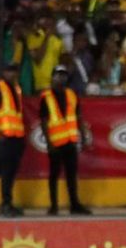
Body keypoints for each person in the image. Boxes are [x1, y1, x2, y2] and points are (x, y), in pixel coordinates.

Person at [39, 65, 91, 216]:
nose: (61, 78)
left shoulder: (71, 94)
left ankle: (74, 205)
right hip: (56, 142)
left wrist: (84, 136)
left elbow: (78, 117)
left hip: (70, 140)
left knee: (71, 174)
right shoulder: (46, 96)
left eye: (64, 75)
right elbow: (43, 121)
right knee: (54, 174)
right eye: (58, 75)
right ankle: (53, 206)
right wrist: (48, 142)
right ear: (52, 77)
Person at [0, 64, 26, 217]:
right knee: (7, 172)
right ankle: (5, 204)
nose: (12, 73)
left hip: (16, 137)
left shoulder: (16, 89)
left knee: (12, 172)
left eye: (14, 70)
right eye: (9, 71)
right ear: (3, 72)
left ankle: (9, 203)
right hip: (5, 138)